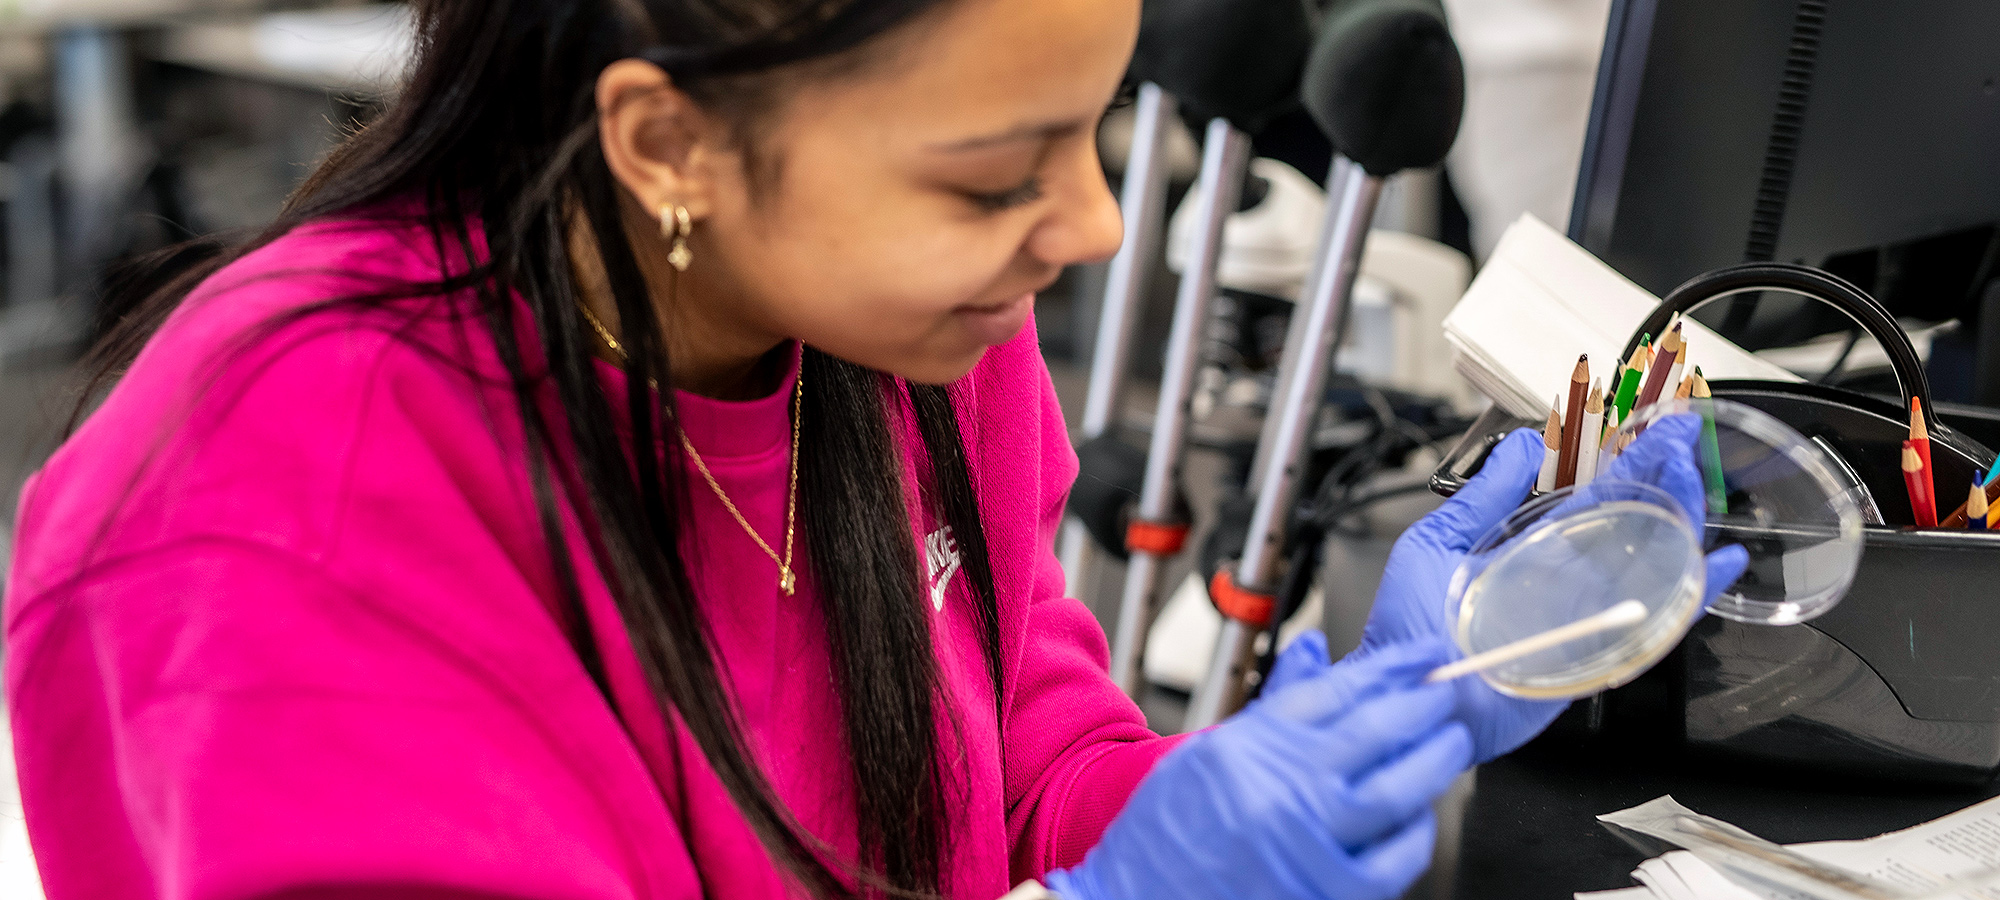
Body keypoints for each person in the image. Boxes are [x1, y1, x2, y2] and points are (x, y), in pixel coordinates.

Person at [3, 2, 1744, 899]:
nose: (1089, 226)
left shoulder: (876, 324)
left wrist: (1390, 712)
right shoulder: (280, 508)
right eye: (997, 175)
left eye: (1097, 134)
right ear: (669, 140)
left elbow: (1022, 772)